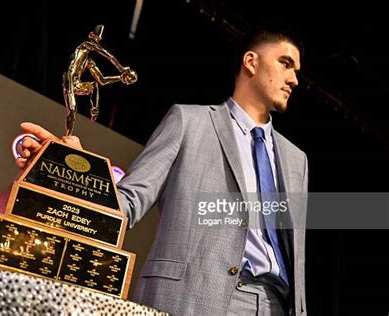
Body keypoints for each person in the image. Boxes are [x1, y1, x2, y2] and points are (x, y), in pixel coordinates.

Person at [17, 28, 308, 315]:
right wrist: (72, 166)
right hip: (191, 298)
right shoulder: (188, 122)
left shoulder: (297, 161)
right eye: (285, 63)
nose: (294, 79)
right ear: (251, 62)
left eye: (296, 70)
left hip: (275, 305)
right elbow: (127, 204)